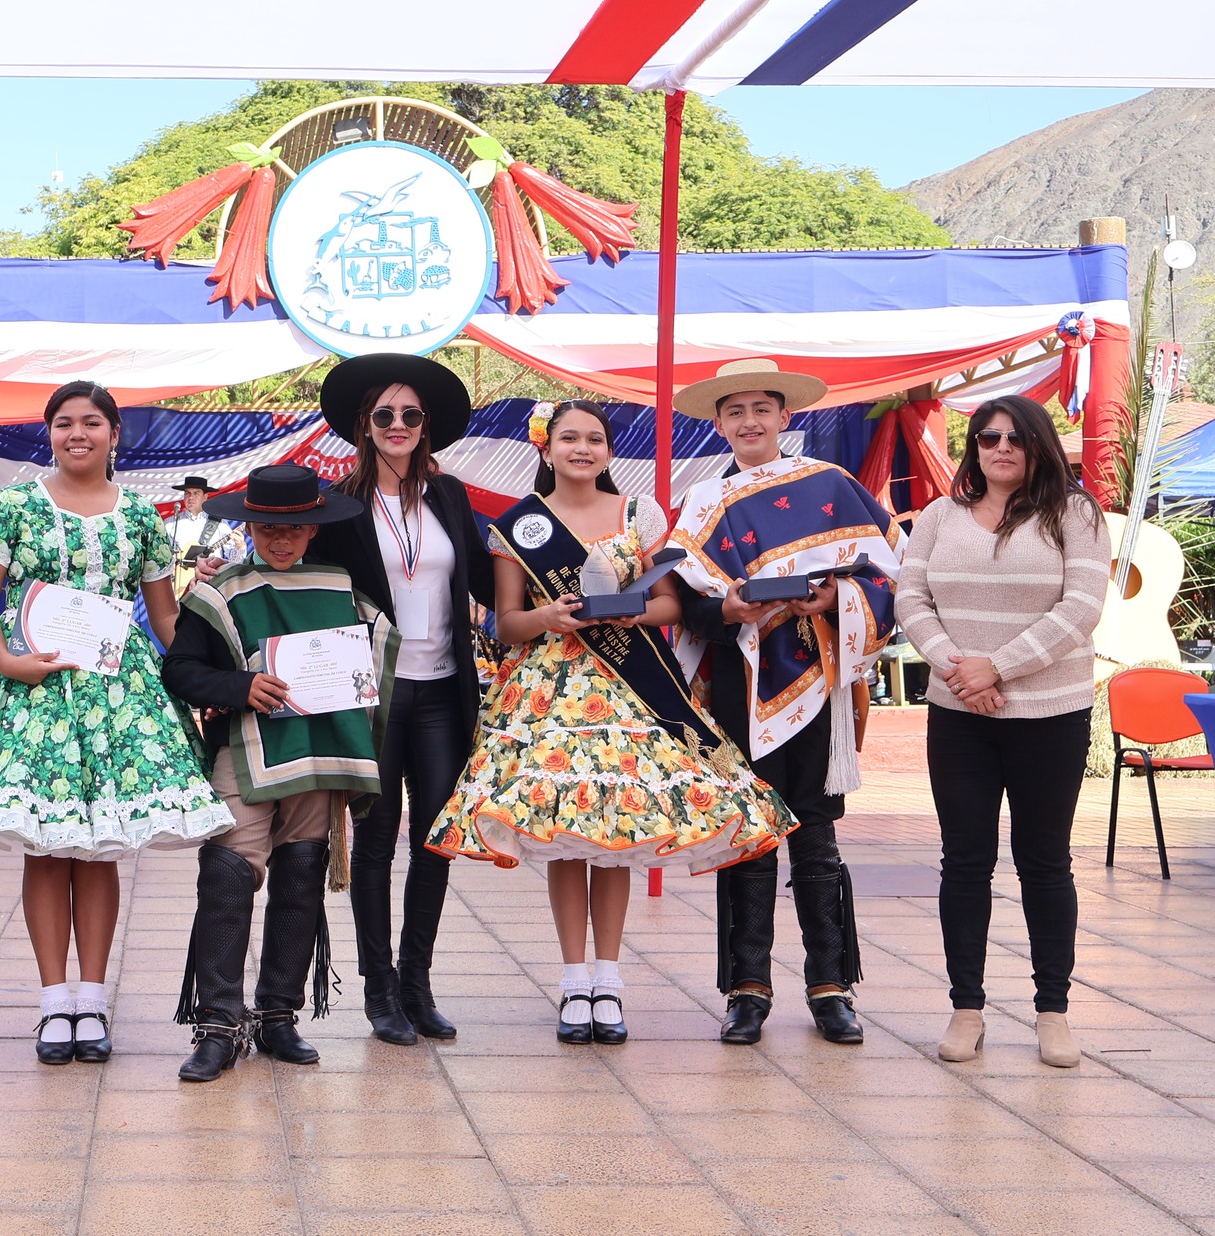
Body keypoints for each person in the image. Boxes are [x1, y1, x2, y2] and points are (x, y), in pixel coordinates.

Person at [0, 380, 232, 1064]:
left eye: (92, 422)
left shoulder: (139, 514)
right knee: (46, 846)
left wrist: (203, 666)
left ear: (113, 434)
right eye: (64, 422)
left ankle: (92, 1002)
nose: (78, 433)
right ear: (50, 433)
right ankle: (53, 1005)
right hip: (30, 684)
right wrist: (8, 660)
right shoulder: (15, 504)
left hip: (113, 691)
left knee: (96, 847)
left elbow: (163, 617)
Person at [428, 401, 796, 1044]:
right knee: (568, 835)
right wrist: (550, 618)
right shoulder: (519, 525)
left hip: (630, 690)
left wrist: (635, 615)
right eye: (569, 437)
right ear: (545, 448)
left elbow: (669, 601)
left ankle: (609, 980)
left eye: (594, 439)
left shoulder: (638, 514)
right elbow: (505, 622)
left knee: (617, 830)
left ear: (607, 450)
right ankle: (574, 982)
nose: (582, 448)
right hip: (551, 694)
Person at [668, 359, 905, 1047]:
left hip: (818, 679)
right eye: (735, 411)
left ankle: (832, 988)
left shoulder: (833, 486)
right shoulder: (705, 502)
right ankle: (747, 990)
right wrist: (727, 605)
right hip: (739, 687)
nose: (749, 421)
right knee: (750, 833)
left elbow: (891, 574)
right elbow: (682, 598)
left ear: (785, 417)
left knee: (817, 836)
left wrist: (838, 598)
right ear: (720, 423)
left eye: (761, 409)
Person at [161, 464, 393, 1080]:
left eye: (294, 530)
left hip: (321, 753)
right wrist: (240, 685)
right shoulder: (219, 591)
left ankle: (277, 1017)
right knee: (228, 875)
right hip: (246, 749)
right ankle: (216, 1026)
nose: (281, 541)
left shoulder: (344, 585)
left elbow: (382, 645)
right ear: (248, 527)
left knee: (300, 875)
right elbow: (179, 670)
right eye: (267, 529)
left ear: (314, 530)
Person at [897, 395, 1106, 1069]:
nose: (1002, 447)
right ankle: (967, 1007)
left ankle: (1053, 1011)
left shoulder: (1075, 515)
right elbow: (910, 596)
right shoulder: (938, 515)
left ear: (1039, 444)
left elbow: (1081, 607)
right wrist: (961, 670)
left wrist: (998, 667)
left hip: (1050, 714)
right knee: (965, 860)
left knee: (1045, 861)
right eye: (988, 436)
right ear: (975, 447)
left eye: (1017, 437)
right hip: (960, 716)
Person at [309, 354, 494, 1045]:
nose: (397, 424)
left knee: (436, 840)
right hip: (374, 696)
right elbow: (303, 579)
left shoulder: (449, 498)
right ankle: (378, 987)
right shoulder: (340, 503)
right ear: (362, 425)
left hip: (445, 689)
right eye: (383, 414)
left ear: (426, 427)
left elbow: (486, 575)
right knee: (377, 840)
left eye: (410, 415)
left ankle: (417, 981)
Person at [166, 475, 245, 594]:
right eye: (187, 493)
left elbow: (234, 563)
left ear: (205, 497)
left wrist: (240, 547)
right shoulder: (170, 524)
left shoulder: (220, 524)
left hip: (211, 585)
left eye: (196, 493)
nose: (191, 497)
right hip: (177, 589)